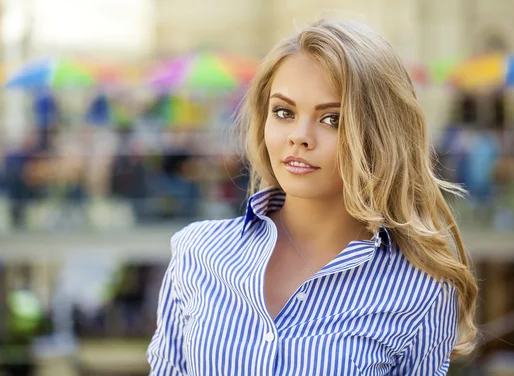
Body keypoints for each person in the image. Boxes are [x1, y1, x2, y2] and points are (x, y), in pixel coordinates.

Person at [147, 19, 478, 375]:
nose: (299, 137)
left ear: (379, 134)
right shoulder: (197, 253)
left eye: (332, 119)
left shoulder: (422, 292)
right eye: (284, 112)